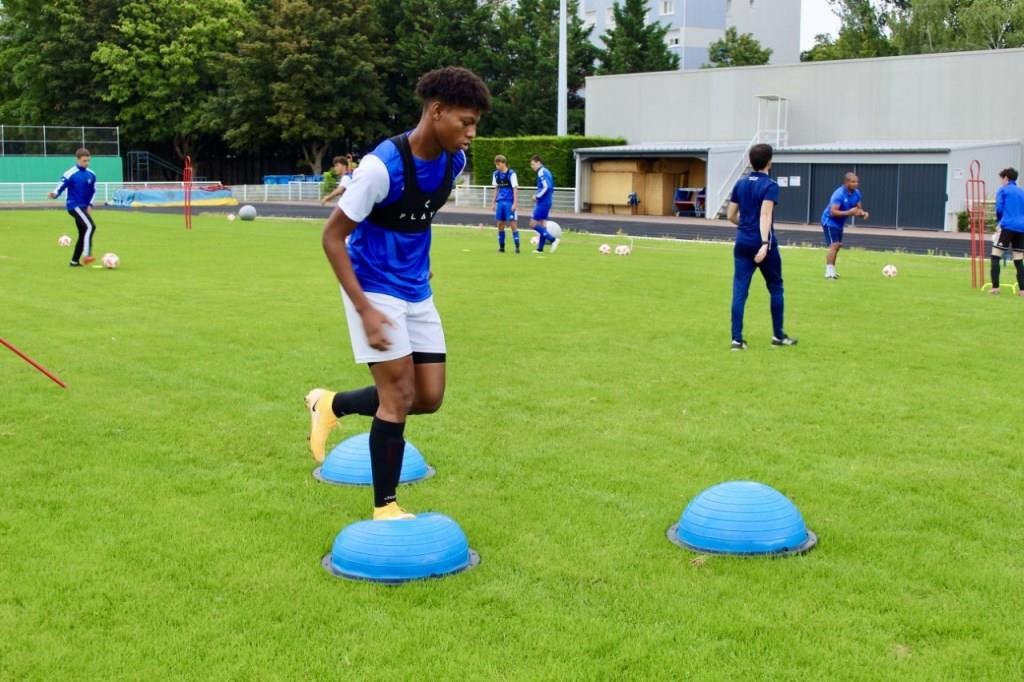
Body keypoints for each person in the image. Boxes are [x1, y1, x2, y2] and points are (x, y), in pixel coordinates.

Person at [305, 67, 491, 521]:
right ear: (437, 111)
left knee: (428, 396)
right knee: (397, 394)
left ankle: (331, 403)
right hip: (372, 288)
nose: (471, 133)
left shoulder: (454, 162)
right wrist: (364, 309)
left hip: (416, 288)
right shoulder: (379, 168)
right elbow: (332, 237)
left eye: (476, 124)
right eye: (466, 122)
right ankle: (385, 506)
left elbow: (417, 218)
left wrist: (420, 264)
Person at [726, 143, 797, 350]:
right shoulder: (770, 186)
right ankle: (778, 336)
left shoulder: (740, 183)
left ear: (750, 161)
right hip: (763, 243)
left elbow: (730, 215)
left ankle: (736, 340)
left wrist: (745, 227)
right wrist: (764, 243)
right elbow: (765, 215)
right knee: (776, 288)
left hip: (742, 241)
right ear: (769, 162)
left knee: (740, 290)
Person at [48, 148, 97, 267]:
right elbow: (61, 185)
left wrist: (90, 205)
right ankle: (87, 255)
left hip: (84, 207)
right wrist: (54, 194)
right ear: (78, 159)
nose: (87, 163)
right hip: (73, 205)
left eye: (88, 160)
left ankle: (74, 261)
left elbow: (94, 191)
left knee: (83, 232)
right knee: (91, 226)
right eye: (84, 161)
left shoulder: (92, 174)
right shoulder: (70, 173)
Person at [820, 172, 868, 279]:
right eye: (853, 182)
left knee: (838, 246)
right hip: (829, 221)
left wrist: (863, 213)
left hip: (840, 223)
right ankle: (828, 273)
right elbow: (833, 212)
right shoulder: (839, 194)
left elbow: (858, 209)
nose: (856, 184)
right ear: (846, 182)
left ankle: (833, 270)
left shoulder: (857, 193)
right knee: (834, 245)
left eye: (857, 181)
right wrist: (849, 212)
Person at [989, 167, 1024, 295]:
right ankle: (1022, 290)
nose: (1001, 181)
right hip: (1021, 228)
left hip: (1007, 226)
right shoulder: (1022, 192)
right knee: (1018, 259)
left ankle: (995, 288)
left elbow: (999, 208)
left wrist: (999, 222)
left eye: (1001, 179)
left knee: (995, 256)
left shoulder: (1003, 190)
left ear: (1006, 178)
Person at [491, 155, 519, 253]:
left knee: (512, 224)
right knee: (500, 224)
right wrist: (493, 202)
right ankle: (502, 247)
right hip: (500, 203)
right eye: (496, 165)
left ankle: (517, 247)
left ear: (504, 163)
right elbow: (496, 189)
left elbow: (515, 189)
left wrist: (515, 203)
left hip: (509, 202)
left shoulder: (511, 174)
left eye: (498, 164)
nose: (497, 167)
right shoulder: (495, 174)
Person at [529, 155, 558, 253]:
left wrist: (537, 196)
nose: (532, 167)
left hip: (543, 202)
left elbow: (547, 187)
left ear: (538, 162)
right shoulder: (547, 171)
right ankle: (540, 249)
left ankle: (553, 239)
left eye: (533, 164)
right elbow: (551, 188)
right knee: (542, 225)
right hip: (547, 201)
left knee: (533, 224)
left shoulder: (541, 172)